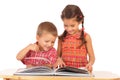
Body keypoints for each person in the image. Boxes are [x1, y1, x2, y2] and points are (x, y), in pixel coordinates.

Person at [54, 4, 95, 72]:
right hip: (65, 72)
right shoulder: (61, 38)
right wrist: (59, 59)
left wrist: (90, 64)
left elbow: (92, 57)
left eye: (72, 26)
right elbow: (57, 56)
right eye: (66, 25)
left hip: (82, 72)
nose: (69, 29)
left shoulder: (86, 37)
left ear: (80, 21)